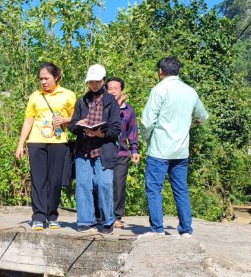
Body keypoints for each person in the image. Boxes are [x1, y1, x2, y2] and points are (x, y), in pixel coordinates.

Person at [139, 56, 209, 238]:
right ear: (178, 71)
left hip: (159, 149)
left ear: (160, 72)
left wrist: (147, 140)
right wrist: (195, 121)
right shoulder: (190, 91)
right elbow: (203, 116)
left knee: (154, 188)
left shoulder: (159, 90)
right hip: (181, 150)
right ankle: (186, 230)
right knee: (180, 188)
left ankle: (157, 230)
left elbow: (147, 122)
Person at [15, 62, 76, 230]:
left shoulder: (68, 95)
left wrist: (64, 120)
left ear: (56, 77)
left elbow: (76, 117)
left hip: (59, 141)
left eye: (46, 78)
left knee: (55, 180)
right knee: (38, 179)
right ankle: (39, 216)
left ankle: (52, 215)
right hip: (36, 141)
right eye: (41, 79)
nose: (43, 82)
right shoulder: (35, 96)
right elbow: (29, 120)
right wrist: (21, 144)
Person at [67, 64, 121, 233]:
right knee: (83, 184)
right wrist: (80, 125)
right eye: (91, 82)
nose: (94, 85)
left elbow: (116, 128)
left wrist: (101, 134)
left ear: (103, 81)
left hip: (103, 149)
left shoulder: (111, 102)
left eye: (97, 81)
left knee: (104, 184)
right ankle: (85, 220)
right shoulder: (82, 101)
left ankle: (107, 221)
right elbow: (71, 125)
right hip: (83, 148)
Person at [106, 77, 140, 228]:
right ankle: (102, 214)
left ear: (121, 91)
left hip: (122, 153)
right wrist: (115, 107)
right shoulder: (102, 107)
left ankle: (117, 216)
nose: (112, 91)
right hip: (104, 151)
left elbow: (132, 130)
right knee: (103, 184)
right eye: (110, 88)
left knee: (119, 185)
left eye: (116, 88)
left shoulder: (129, 110)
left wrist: (134, 149)